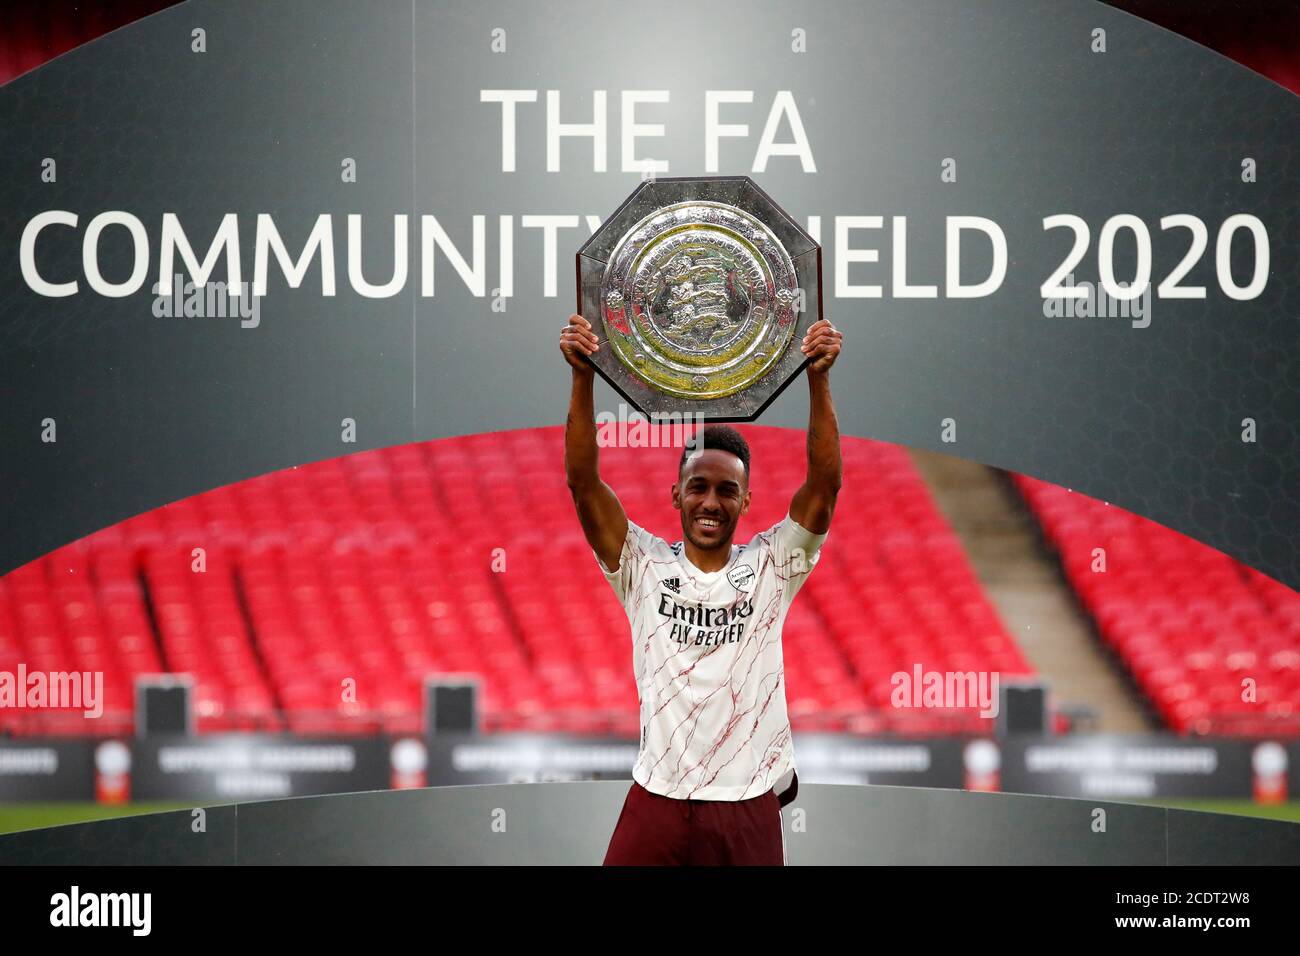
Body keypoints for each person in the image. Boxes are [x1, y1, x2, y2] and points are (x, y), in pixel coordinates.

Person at [559, 311, 843, 865]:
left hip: (744, 803)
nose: (711, 501)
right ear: (675, 494)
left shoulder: (772, 568)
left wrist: (819, 377)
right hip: (657, 798)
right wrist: (581, 377)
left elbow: (824, 486)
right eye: (698, 487)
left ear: (745, 501)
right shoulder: (640, 565)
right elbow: (582, 483)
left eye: (726, 490)